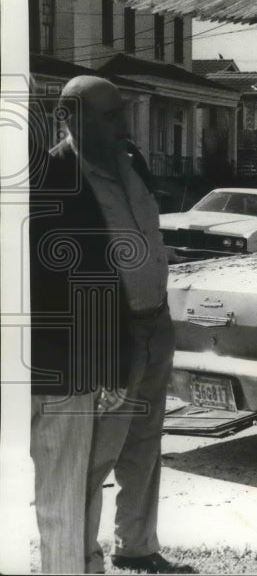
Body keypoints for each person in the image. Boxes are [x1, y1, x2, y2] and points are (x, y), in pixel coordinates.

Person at [30, 76, 192, 574]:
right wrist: (100, 353)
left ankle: (137, 546)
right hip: (111, 335)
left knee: (145, 442)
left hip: (154, 324)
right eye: (109, 115)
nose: (121, 124)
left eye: (121, 112)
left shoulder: (131, 162)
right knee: (93, 456)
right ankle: (79, 559)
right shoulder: (55, 175)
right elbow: (60, 279)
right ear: (67, 117)